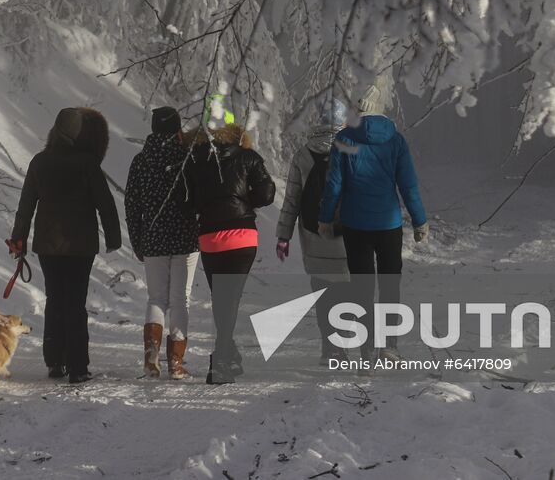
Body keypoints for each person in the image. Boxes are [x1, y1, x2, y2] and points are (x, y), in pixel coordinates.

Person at [10, 107, 122, 384]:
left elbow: (26, 207)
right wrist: (113, 237)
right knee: (75, 302)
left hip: (48, 246)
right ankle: (78, 366)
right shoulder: (87, 164)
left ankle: (54, 362)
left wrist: (18, 239)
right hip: (81, 245)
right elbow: (105, 205)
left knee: (55, 300)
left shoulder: (40, 162)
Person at [318, 111, 428, 360]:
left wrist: (325, 218)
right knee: (390, 285)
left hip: (355, 225)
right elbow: (408, 185)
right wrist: (419, 220)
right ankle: (389, 346)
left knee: (362, 288)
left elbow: (334, 184)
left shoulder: (344, 139)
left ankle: (367, 350)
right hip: (388, 224)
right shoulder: (395, 140)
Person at [177, 123, 276, 384]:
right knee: (229, 299)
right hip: (242, 237)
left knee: (221, 299)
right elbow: (267, 193)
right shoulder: (249, 157)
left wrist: (211, 205)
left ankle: (229, 354)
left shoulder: (199, 159)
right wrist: (243, 201)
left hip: (210, 238)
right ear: (242, 140)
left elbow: (188, 200)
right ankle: (220, 362)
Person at [124, 106, 199, 378]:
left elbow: (132, 205)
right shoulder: (187, 158)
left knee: (156, 298)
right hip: (185, 237)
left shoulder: (141, 161)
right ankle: (176, 364)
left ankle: (150, 359)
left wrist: (138, 240)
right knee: (181, 300)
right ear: (178, 129)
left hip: (153, 238)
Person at [275, 97, 350, 364]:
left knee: (323, 294)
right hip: (348, 239)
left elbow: (292, 200)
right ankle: (342, 346)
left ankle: (329, 348)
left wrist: (283, 236)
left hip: (314, 237)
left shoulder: (303, 154)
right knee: (346, 293)